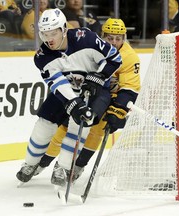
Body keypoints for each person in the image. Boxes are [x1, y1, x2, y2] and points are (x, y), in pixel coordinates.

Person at [16, 8, 122, 184]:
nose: (48, 39)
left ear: (64, 29)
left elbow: (114, 58)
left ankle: (63, 166)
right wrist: (73, 102)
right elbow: (57, 84)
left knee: (83, 120)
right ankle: (30, 163)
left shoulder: (86, 38)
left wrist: (99, 76)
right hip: (68, 90)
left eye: (53, 33)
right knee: (44, 123)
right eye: (44, 33)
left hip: (96, 89)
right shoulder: (42, 57)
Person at [33, 18, 141, 187]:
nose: (114, 42)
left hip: (109, 99)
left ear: (124, 38)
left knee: (95, 129)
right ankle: (44, 161)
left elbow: (130, 87)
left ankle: (77, 166)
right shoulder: (95, 47)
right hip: (85, 93)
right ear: (103, 36)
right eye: (110, 38)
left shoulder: (130, 57)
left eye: (118, 38)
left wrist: (118, 110)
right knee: (67, 126)